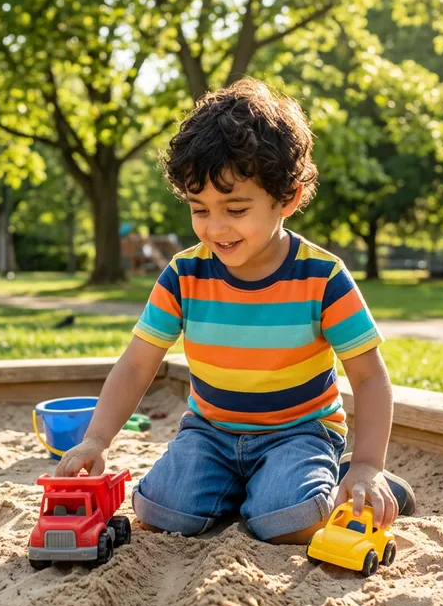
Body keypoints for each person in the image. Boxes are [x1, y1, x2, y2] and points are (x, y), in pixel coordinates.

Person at [56, 78, 415, 546]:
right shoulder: (184, 274)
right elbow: (137, 363)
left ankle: (345, 474)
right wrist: (96, 439)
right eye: (199, 209)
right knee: (161, 512)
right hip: (210, 431)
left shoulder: (323, 278)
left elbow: (368, 377)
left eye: (236, 208)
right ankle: (248, 487)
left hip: (299, 432)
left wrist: (369, 463)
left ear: (287, 197)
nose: (216, 227)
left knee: (286, 521)